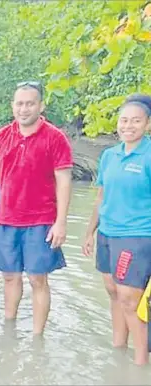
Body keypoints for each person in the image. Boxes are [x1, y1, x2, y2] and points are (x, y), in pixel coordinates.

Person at [0, 81, 73, 335]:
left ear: (41, 105)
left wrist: (61, 222)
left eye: (30, 103)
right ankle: (9, 329)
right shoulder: (1, 136)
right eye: (19, 104)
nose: (24, 109)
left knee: (37, 279)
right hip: (7, 218)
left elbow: (64, 181)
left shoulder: (55, 138)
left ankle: (37, 337)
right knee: (9, 276)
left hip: (41, 220)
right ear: (13, 106)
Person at [82, 94, 151, 365]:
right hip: (107, 233)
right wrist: (89, 231)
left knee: (129, 300)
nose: (128, 126)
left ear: (147, 124)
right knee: (112, 291)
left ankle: (139, 365)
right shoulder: (109, 155)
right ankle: (118, 349)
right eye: (124, 120)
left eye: (136, 121)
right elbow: (101, 197)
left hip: (137, 235)